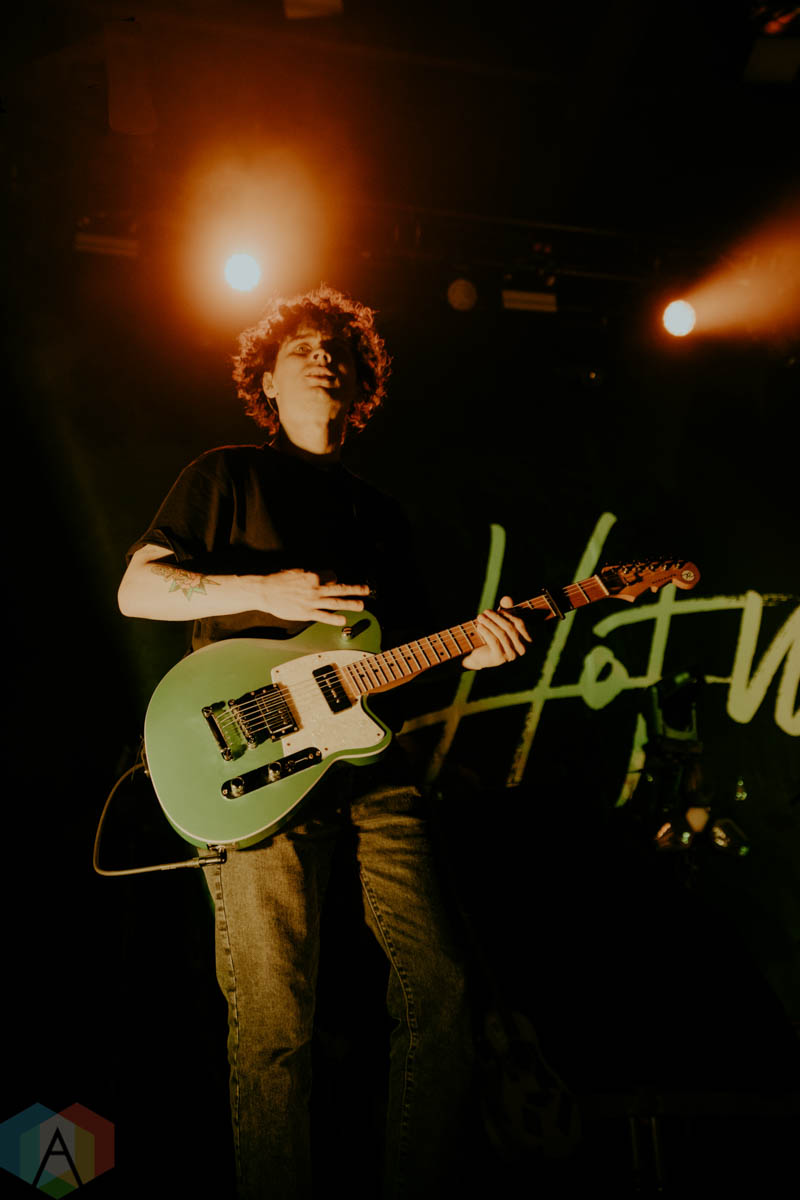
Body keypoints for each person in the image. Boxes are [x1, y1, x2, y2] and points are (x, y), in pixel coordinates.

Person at [118, 284, 531, 1199]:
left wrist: (477, 648)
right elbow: (136, 590)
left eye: (335, 347)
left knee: (445, 993)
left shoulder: (380, 515)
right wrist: (267, 591)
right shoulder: (227, 474)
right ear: (265, 380)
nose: (320, 355)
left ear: (362, 382)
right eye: (298, 346)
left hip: (370, 769)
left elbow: (404, 662)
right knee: (276, 1021)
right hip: (255, 760)